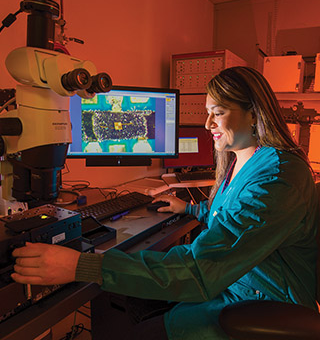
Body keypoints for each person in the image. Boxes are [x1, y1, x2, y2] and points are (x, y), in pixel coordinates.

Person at [11, 66, 319, 340]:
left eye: (219, 112)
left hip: (258, 300)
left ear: (253, 113)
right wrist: (189, 209)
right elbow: (231, 216)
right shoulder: (245, 159)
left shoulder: (278, 177)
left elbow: (201, 268)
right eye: (208, 112)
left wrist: (81, 265)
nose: (207, 123)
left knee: (144, 330)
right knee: (136, 297)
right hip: (231, 278)